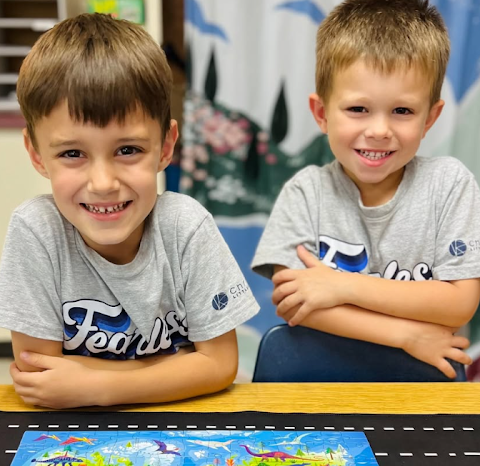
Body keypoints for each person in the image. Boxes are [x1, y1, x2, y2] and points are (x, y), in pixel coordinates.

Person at [0, 13, 259, 409]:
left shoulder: (186, 226)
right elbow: (41, 378)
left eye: (128, 150)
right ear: (37, 154)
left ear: (166, 146)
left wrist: (95, 385)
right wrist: (177, 367)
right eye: (73, 153)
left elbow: (221, 365)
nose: (103, 183)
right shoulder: (36, 231)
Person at [251, 0, 480, 379]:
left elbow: (459, 304)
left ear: (430, 118)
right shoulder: (305, 192)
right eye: (358, 109)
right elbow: (294, 303)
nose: (378, 130)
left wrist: (341, 286)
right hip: (317, 380)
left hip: (425, 387)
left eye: (402, 111)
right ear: (322, 113)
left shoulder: (450, 184)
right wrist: (406, 335)